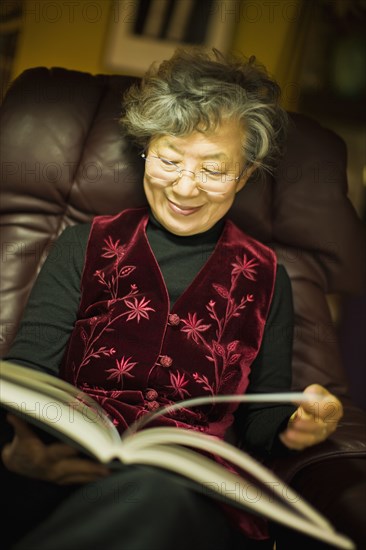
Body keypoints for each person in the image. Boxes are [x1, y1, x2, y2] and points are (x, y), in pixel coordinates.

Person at [1, 48, 343, 550]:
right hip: (65, 462)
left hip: (185, 487)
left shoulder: (270, 277)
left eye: (213, 168)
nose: (185, 187)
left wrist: (299, 424)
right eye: (169, 160)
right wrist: (20, 445)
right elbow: (28, 370)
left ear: (244, 175)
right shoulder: (83, 245)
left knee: (154, 500)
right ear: (146, 151)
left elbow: (259, 421)